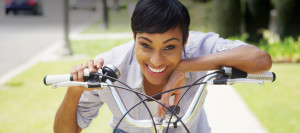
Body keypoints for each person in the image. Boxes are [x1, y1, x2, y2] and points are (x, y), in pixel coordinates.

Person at [53, 0, 272, 133]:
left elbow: (261, 60)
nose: (156, 61)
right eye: (146, 45)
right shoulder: (112, 64)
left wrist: (184, 66)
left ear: (185, 42)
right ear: (134, 38)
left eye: (169, 47)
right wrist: (76, 87)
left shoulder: (197, 46)